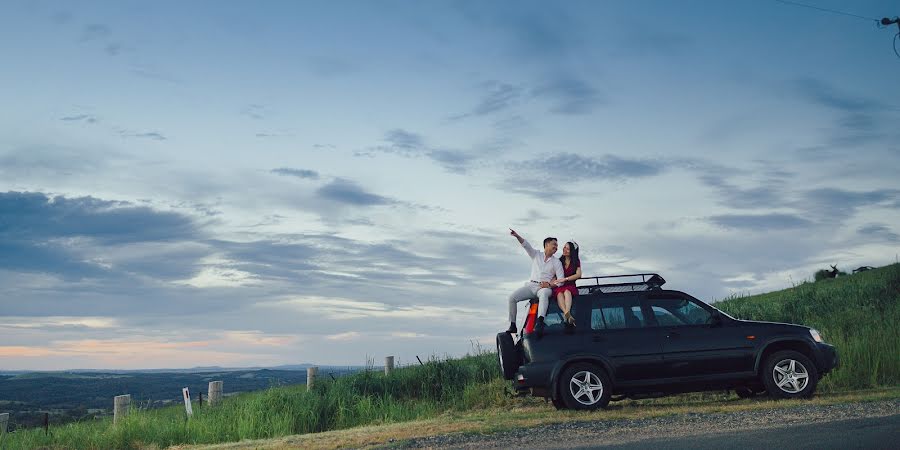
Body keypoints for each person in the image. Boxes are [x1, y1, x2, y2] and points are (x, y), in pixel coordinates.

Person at [506, 229, 564, 337]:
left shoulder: (557, 262)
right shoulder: (536, 254)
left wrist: (550, 285)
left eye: (557, 246)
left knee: (544, 294)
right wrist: (517, 236)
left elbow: (561, 280)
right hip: (531, 285)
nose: (556, 248)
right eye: (554, 245)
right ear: (546, 244)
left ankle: (540, 321)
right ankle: (512, 324)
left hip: (544, 287)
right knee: (512, 298)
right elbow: (526, 245)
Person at [553, 241, 582, 329]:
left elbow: (578, 275)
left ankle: (566, 313)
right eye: (564, 247)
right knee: (559, 293)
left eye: (568, 249)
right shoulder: (559, 260)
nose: (565, 249)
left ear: (572, 251)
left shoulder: (576, 261)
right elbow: (554, 274)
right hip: (560, 285)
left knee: (567, 291)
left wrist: (565, 279)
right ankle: (567, 314)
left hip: (570, 285)